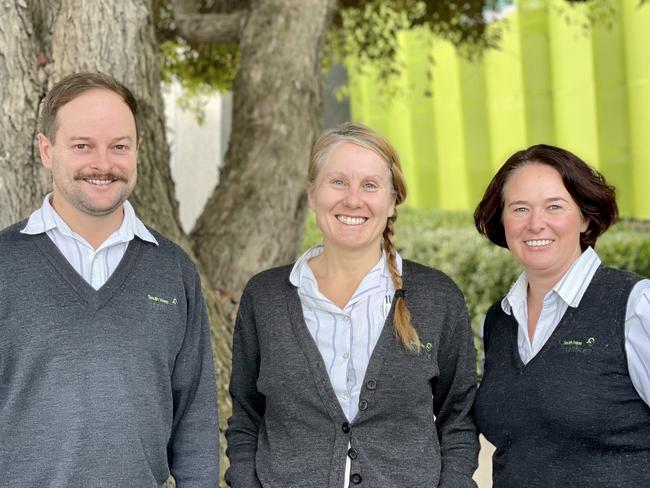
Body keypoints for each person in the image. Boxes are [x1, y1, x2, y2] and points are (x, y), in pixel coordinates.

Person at [225, 122, 479, 488]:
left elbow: (459, 418)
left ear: (392, 202)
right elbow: (246, 415)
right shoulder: (265, 298)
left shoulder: (437, 298)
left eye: (370, 185)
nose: (353, 199)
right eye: (338, 182)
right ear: (312, 194)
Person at [0, 72, 219, 487]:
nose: (103, 164)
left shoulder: (173, 272)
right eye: (82, 146)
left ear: (137, 150)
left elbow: (195, 420)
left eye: (119, 146)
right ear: (47, 150)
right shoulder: (4, 266)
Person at [473, 144, 650, 488]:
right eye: (520, 208)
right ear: (502, 220)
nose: (536, 224)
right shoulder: (501, 320)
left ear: (585, 217)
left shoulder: (634, 306)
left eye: (554, 206)